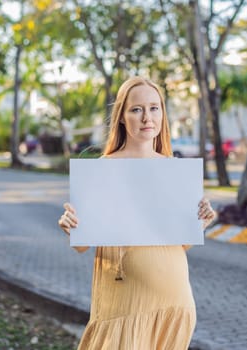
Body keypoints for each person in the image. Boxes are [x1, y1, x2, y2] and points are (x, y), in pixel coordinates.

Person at [58, 76, 216, 350]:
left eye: (154, 108)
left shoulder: (175, 170)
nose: (147, 117)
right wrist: (70, 225)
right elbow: (82, 244)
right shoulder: (102, 170)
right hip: (124, 307)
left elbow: (181, 244)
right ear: (121, 116)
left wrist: (200, 223)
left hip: (174, 302)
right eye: (136, 109)